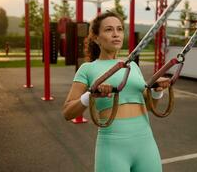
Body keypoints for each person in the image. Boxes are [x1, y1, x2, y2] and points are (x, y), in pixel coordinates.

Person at [62, 11, 170, 172]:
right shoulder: (88, 69)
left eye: (119, 29)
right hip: (113, 146)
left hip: (145, 141)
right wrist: (91, 94)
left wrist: (157, 91)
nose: (116, 34)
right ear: (96, 38)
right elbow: (67, 112)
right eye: (108, 30)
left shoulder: (132, 66)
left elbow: (148, 106)